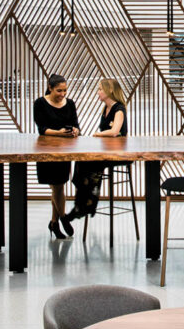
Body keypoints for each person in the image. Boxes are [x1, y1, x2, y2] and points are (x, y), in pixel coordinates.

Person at [58, 78, 128, 234]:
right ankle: (85, 203)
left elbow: (115, 131)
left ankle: (86, 205)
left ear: (109, 91)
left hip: (119, 154)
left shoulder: (119, 109)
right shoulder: (105, 109)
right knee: (82, 161)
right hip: (106, 152)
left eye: (100, 89)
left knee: (89, 165)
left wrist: (98, 134)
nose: (98, 92)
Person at [33, 74, 80, 239]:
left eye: (65, 90)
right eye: (59, 90)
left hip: (65, 151)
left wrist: (74, 131)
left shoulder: (70, 103)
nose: (63, 94)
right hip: (46, 150)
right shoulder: (40, 103)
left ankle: (54, 222)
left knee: (58, 186)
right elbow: (42, 129)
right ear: (50, 88)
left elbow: (76, 125)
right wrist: (59, 133)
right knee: (56, 187)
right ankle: (63, 218)